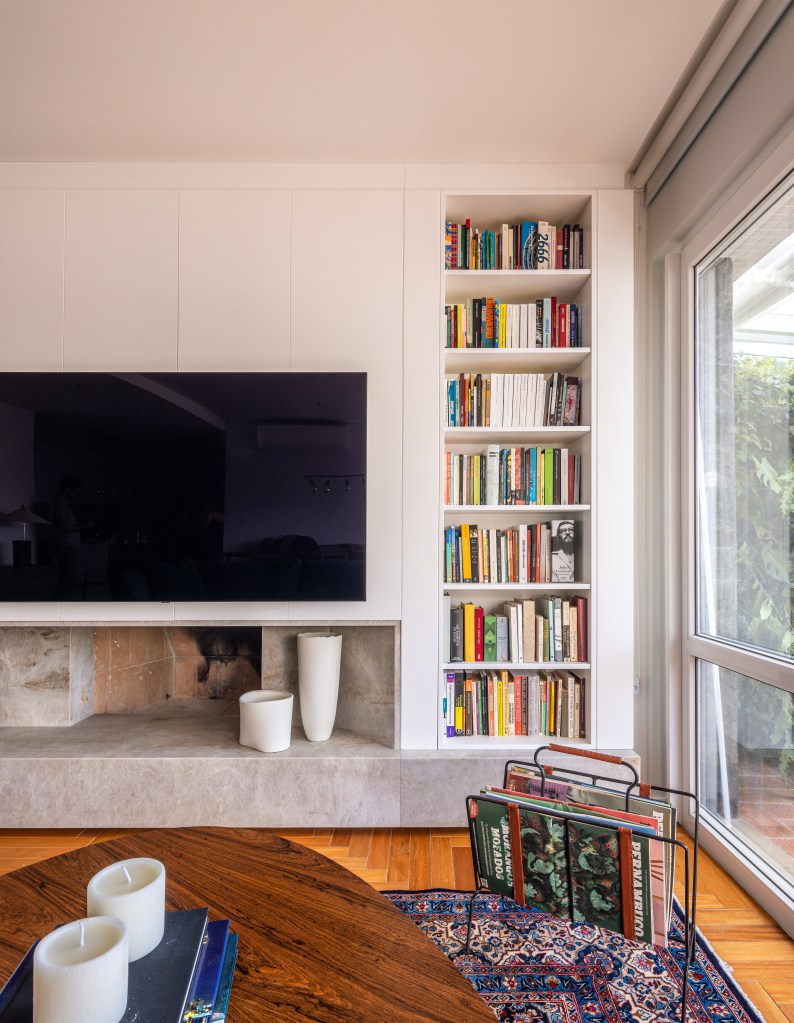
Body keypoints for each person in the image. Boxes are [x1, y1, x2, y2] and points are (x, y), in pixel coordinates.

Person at [51, 476, 93, 599]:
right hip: (65, 547)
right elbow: (64, 527)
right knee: (68, 579)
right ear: (68, 489)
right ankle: (63, 609)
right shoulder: (60, 503)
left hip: (66, 546)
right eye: (77, 493)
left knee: (68, 579)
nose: (77, 496)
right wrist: (85, 527)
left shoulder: (61, 504)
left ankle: (63, 608)